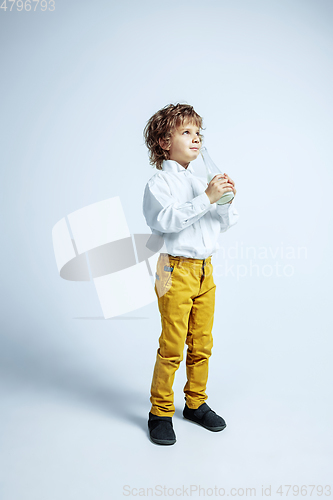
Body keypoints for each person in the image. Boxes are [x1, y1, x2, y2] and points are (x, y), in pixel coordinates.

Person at [142, 103, 239, 445]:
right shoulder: (159, 183)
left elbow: (223, 224)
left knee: (202, 343)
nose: (196, 138)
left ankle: (195, 403)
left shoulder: (201, 182)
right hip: (173, 269)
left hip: (203, 271)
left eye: (198, 133)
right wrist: (207, 198)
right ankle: (160, 411)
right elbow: (164, 221)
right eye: (186, 132)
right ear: (164, 142)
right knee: (171, 346)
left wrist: (224, 201)